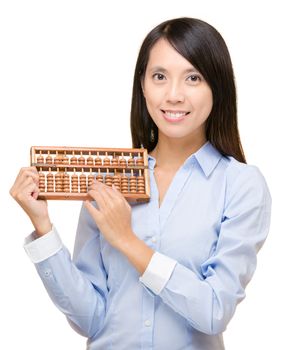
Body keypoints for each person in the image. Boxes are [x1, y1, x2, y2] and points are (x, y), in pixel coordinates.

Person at [10, 17, 271, 350]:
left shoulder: (241, 185)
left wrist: (127, 240)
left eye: (193, 77)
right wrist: (43, 227)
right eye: (159, 77)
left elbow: (214, 311)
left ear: (216, 87)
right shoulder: (107, 182)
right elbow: (89, 319)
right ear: (143, 85)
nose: (174, 95)